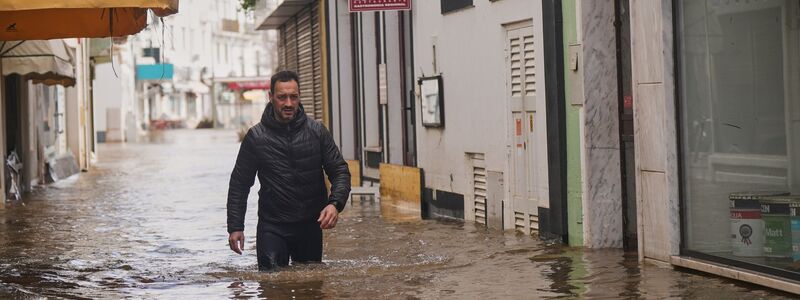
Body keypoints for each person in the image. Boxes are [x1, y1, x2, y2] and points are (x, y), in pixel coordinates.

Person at [226, 70, 351, 271]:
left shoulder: (317, 132)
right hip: (273, 226)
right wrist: (235, 227)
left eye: (293, 97)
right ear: (271, 97)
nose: (288, 103)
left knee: (310, 287)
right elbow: (240, 185)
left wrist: (335, 204)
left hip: (310, 225)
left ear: (299, 96)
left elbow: (339, 171)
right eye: (282, 97)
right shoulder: (256, 137)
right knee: (272, 285)